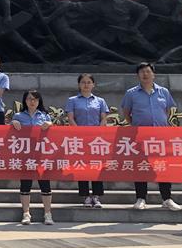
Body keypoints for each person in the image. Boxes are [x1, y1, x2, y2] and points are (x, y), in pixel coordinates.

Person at [120, 63, 181, 211]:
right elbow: (126, 113)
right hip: (140, 136)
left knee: (162, 167)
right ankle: (141, 198)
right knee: (141, 166)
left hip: (160, 136)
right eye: (142, 72)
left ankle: (166, 198)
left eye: (148, 71)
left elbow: (167, 110)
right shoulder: (131, 93)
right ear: (138, 75)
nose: (145, 74)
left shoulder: (163, 92)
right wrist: (137, 125)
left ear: (153, 74)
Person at [11, 90, 55, 225]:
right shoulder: (18, 116)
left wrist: (50, 124)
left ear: (39, 101)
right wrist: (13, 123)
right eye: (29, 99)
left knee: (45, 184)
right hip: (25, 154)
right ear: (25, 101)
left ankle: (47, 213)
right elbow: (9, 134)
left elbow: (53, 133)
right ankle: (26, 213)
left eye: (35, 99)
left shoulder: (45, 115)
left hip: (41, 154)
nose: (32, 101)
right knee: (25, 184)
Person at [65, 73, 109, 208]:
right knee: (82, 166)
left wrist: (98, 132)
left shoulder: (100, 101)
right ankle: (85, 196)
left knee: (96, 166)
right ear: (79, 85)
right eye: (83, 82)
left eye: (89, 82)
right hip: (79, 138)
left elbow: (104, 118)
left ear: (93, 84)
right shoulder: (72, 100)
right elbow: (70, 118)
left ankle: (96, 196)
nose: (86, 85)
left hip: (96, 139)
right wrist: (79, 132)